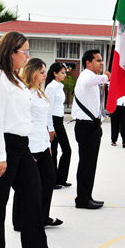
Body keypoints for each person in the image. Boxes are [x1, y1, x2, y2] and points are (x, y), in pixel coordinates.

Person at [0, 32, 57, 248]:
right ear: (11, 52)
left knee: (33, 192)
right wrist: (0, 157)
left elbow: (21, 116)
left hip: (19, 144)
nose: (27, 56)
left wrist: (24, 147)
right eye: (25, 52)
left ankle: (37, 247)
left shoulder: (15, 79)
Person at [13, 58, 62, 231]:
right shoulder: (25, 93)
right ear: (32, 72)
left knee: (48, 179)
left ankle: (42, 216)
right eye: (41, 72)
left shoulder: (40, 92)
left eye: (45, 71)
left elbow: (46, 116)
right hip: (30, 145)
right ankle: (20, 221)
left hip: (42, 143)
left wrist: (48, 138)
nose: (45, 75)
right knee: (26, 185)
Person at [72, 49, 110, 209]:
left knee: (90, 164)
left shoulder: (93, 79)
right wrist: (106, 76)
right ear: (88, 63)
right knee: (86, 164)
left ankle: (86, 195)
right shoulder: (86, 76)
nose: (101, 63)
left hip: (92, 126)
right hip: (85, 127)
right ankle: (82, 199)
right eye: (98, 60)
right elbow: (95, 80)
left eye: (102, 60)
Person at [45, 62, 72, 189]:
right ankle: (52, 180)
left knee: (67, 150)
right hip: (53, 121)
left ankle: (61, 178)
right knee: (53, 152)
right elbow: (48, 109)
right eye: (62, 72)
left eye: (65, 72)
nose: (64, 75)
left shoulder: (59, 86)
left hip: (60, 121)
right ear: (55, 73)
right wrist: (50, 129)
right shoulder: (51, 87)